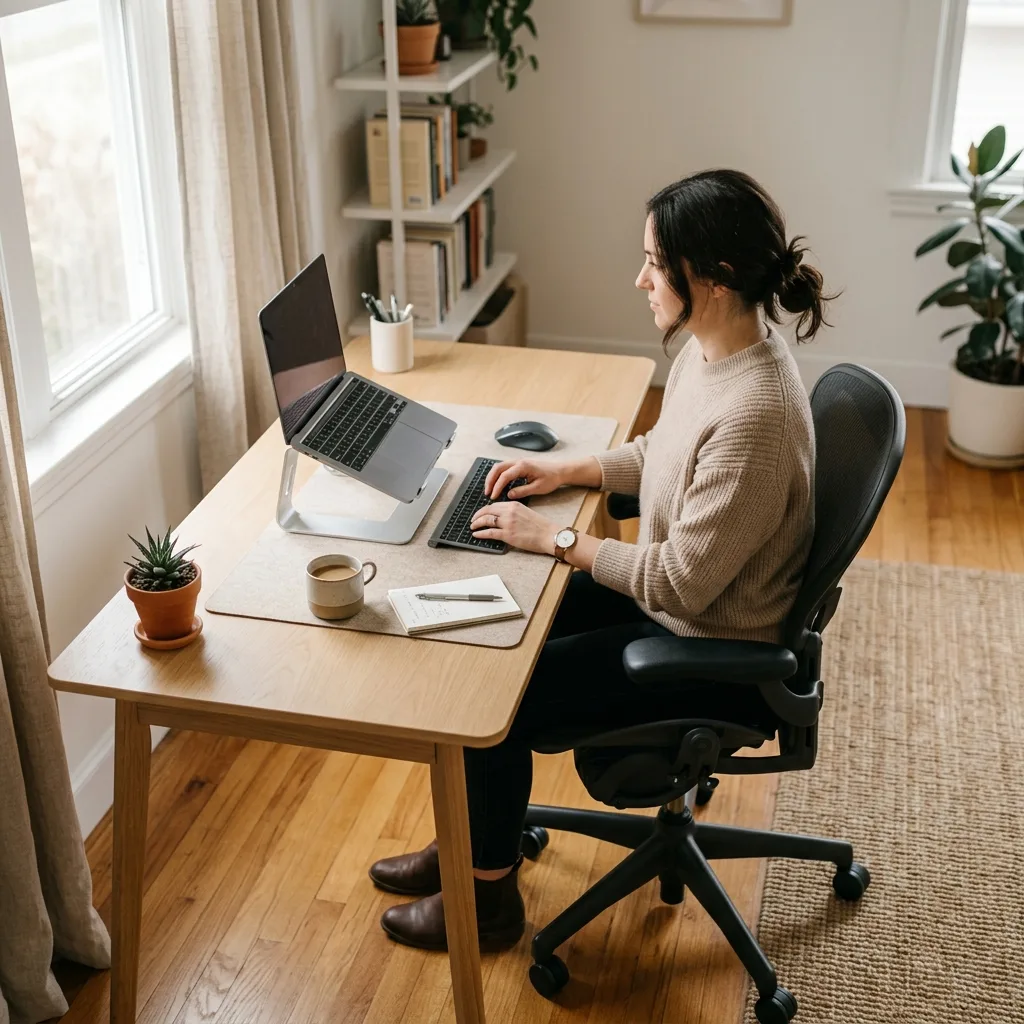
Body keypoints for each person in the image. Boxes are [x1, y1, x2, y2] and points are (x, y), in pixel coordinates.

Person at [370, 168, 832, 951]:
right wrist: (570, 472)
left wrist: (556, 539)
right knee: (489, 637)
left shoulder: (757, 415)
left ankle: (485, 903)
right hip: (681, 602)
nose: (640, 278)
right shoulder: (719, 346)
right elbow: (667, 451)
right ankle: (471, 849)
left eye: (656, 263)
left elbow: (681, 581)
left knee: (494, 705)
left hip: (706, 641)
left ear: (712, 279)